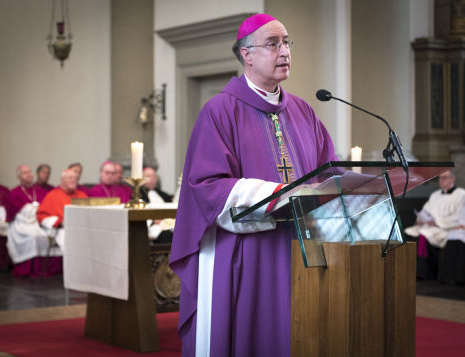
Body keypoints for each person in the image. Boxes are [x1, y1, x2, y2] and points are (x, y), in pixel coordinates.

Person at [169, 13, 337, 356]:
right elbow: (206, 186)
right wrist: (275, 195)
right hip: (246, 254)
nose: (285, 51)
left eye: (287, 43)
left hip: (300, 249)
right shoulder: (219, 111)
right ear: (246, 54)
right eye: (273, 44)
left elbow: (327, 176)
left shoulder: (304, 112)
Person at [405, 170, 465, 284]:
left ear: (452, 179)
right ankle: (416, 271)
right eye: (440, 178)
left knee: (424, 234)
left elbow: (459, 216)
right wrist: (421, 219)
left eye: (444, 178)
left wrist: (436, 223)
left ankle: (425, 272)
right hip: (431, 227)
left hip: (447, 228)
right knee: (414, 232)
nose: (441, 181)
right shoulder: (435, 195)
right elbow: (425, 211)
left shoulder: (461, 194)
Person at [7, 165, 60, 277]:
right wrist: (32, 209)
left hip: (38, 223)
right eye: (25, 173)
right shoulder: (14, 192)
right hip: (22, 224)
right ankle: (31, 269)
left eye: (30, 172)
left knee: (47, 235)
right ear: (19, 177)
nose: (29, 174)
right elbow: (15, 214)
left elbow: (47, 208)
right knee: (33, 236)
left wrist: (34, 209)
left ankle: (44, 268)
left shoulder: (40, 191)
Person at [36, 169, 88, 252]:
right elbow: (41, 216)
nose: (73, 180)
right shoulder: (52, 195)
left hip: (82, 229)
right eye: (70, 178)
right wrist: (59, 223)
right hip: (64, 230)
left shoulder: (82, 195)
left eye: (75, 178)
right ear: (62, 180)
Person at [140, 166, 175, 244]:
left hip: (170, 223)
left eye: (153, 176)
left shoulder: (163, 195)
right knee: (168, 235)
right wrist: (153, 220)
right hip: (155, 226)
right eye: (148, 176)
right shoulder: (139, 196)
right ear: (142, 179)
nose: (152, 179)